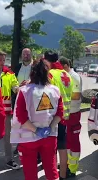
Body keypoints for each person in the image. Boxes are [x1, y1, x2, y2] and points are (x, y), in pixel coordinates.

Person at [11, 60, 63, 180]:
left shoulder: (24, 91)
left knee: (30, 171)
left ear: (32, 73)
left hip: (28, 138)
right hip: (49, 136)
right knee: (51, 168)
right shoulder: (55, 90)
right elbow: (60, 113)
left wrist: (36, 130)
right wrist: (49, 128)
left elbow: (21, 117)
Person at [43, 51, 73, 179]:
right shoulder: (66, 74)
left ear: (47, 61)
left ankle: (53, 174)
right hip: (65, 116)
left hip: (54, 117)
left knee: (51, 148)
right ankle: (63, 175)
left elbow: (47, 95)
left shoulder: (50, 74)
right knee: (62, 146)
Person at [0, 51, 20, 169]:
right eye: (0, 60)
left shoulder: (9, 74)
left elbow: (15, 87)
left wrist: (19, 88)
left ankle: (9, 160)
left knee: (8, 136)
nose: (3, 62)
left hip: (6, 111)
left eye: (4, 60)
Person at [59, 57, 82, 177]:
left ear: (66, 65)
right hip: (67, 113)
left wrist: (61, 95)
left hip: (73, 113)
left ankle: (73, 169)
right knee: (66, 141)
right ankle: (66, 163)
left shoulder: (74, 77)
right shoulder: (66, 76)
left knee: (73, 141)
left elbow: (77, 96)